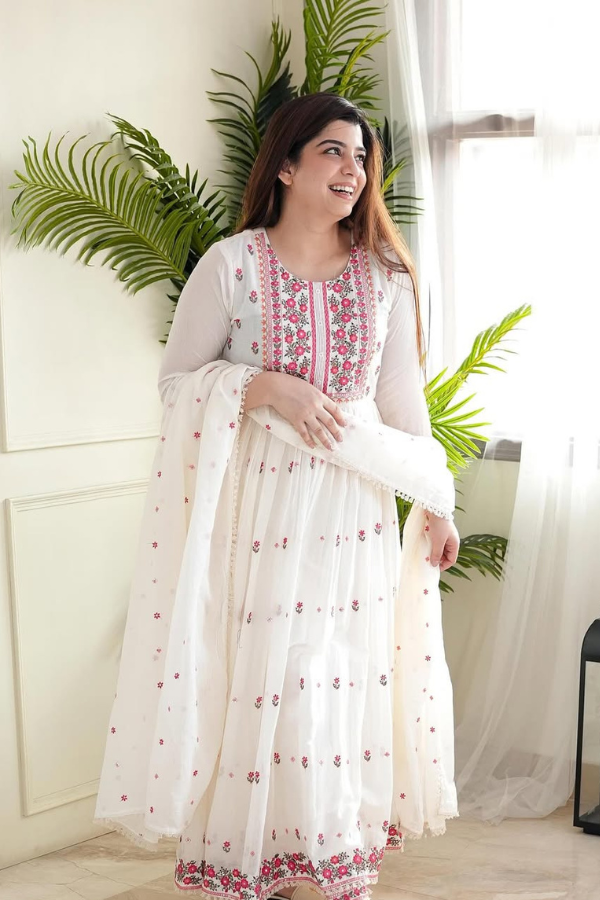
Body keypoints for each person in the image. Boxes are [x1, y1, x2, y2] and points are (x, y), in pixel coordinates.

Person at [93, 92, 460, 900]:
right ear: (286, 166)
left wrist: (439, 507)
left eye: (362, 157)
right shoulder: (231, 266)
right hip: (254, 513)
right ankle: (250, 862)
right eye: (333, 151)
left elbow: (404, 408)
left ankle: (326, 857)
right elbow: (177, 385)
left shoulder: (387, 280)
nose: (352, 169)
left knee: (333, 681)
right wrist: (265, 387)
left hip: (352, 516)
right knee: (264, 680)